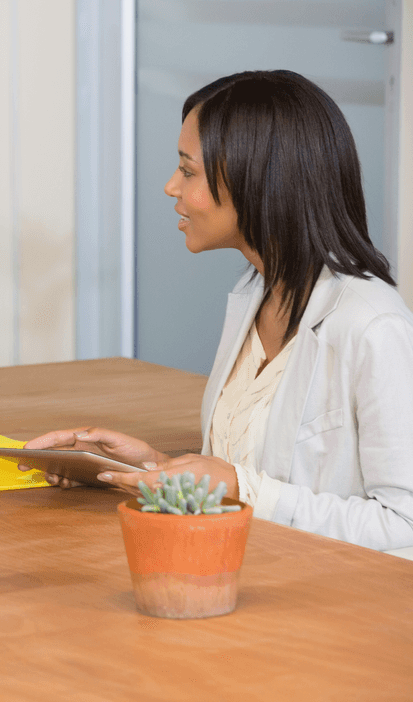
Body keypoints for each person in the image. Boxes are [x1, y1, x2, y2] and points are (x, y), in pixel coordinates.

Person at [27, 70, 413, 553]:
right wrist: (149, 467)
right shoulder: (254, 294)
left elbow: (404, 525)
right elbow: (248, 475)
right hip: (240, 570)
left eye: (188, 171)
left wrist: (241, 487)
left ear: (257, 180)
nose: (171, 187)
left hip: (331, 603)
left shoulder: (372, 325)